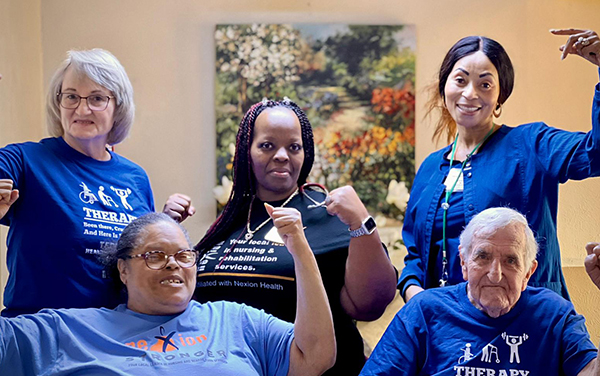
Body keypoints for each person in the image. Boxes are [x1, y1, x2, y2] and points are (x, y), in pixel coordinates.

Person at [194, 98, 397, 375]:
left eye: (293, 147)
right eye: (267, 145)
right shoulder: (228, 221)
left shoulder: (327, 212)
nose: (281, 155)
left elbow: (369, 305)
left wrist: (362, 223)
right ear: (246, 152)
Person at [399, 28, 600, 302]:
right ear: (444, 87)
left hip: (524, 325)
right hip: (446, 328)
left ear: (499, 97)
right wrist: (416, 296)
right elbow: (414, 254)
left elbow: (595, 154)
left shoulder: (531, 144)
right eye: (460, 80)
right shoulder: (431, 168)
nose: (470, 94)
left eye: (485, 84)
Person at [0, 212, 335, 375]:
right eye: (155, 256)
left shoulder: (233, 318)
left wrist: (300, 250)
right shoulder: (69, 331)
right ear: (123, 270)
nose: (174, 265)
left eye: (184, 255)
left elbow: (316, 356)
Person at [0, 49, 178, 316]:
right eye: (71, 96)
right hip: (44, 336)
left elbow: (138, 263)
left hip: (118, 336)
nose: (82, 109)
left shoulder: (135, 178)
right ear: (58, 102)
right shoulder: (25, 160)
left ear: (118, 106)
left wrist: (163, 226)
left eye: (97, 98)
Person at [360, 207, 599, 375]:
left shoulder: (554, 314)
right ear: (463, 263)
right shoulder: (424, 310)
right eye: (482, 257)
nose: (495, 274)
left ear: (528, 272)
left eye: (511, 261)